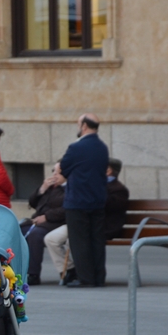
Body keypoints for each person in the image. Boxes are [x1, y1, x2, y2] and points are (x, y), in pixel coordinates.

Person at [47, 158, 129, 285]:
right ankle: (70, 270)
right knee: (51, 238)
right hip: (81, 222)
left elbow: (107, 206)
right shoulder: (95, 185)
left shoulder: (118, 189)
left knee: (74, 241)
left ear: (107, 171)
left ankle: (83, 274)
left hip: (101, 226)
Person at [57, 113, 109, 287]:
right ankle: (99, 277)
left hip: (77, 202)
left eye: (78, 124)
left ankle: (86, 279)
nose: (78, 127)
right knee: (96, 241)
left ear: (84, 126)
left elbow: (63, 168)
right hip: (98, 201)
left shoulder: (76, 148)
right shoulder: (102, 147)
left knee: (80, 243)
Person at [19, 163, 66, 285]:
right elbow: (33, 203)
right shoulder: (50, 188)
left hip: (54, 223)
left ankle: (33, 274)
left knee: (35, 235)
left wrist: (47, 216)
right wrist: (41, 189)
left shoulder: (69, 189)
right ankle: (15, 270)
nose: (55, 175)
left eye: (58, 172)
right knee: (19, 231)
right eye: (53, 171)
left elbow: (65, 210)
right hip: (37, 221)